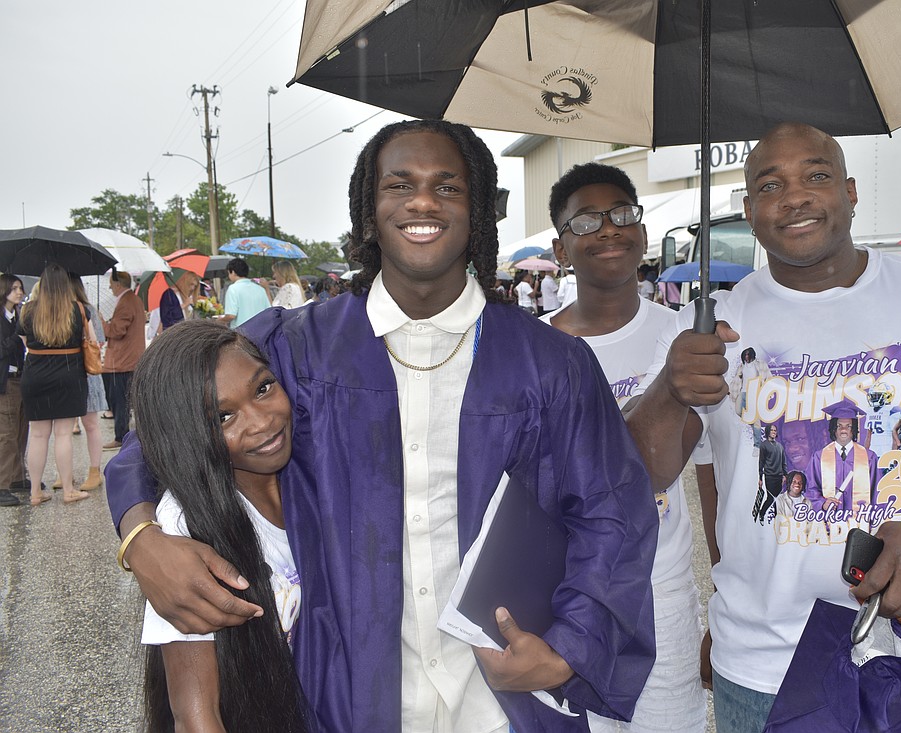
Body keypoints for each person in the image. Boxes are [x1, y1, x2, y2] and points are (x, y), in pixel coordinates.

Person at [106, 119, 658, 732]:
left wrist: (566, 649)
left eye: (448, 187)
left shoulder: (550, 363)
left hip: (499, 703)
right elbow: (160, 435)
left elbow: (612, 514)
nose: (422, 200)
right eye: (399, 185)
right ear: (368, 215)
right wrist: (142, 538)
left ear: (476, 212)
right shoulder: (294, 347)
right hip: (346, 696)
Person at [624, 122, 901, 733]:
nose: (795, 196)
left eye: (816, 175)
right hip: (763, 668)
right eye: (770, 184)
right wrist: (668, 390)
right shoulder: (706, 333)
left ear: (852, 192)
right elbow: (633, 473)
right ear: (749, 211)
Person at [543, 162, 706, 733]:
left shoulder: (686, 338)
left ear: (640, 232)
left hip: (658, 598)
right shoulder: (535, 347)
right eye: (586, 220)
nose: (608, 228)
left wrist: (723, 600)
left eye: (622, 214)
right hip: (561, 596)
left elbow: (710, 479)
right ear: (561, 248)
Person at [128, 320, 310, 731]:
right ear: (186, 434)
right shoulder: (184, 524)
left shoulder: (310, 477)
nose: (261, 421)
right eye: (224, 416)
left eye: (263, 388)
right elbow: (196, 716)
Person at [18, 263, 91, 506]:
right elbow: (88, 339)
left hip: (35, 374)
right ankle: (69, 490)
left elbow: (26, 341)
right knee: (63, 435)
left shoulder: (28, 311)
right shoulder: (78, 309)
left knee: (38, 435)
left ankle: (35, 493)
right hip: (69, 375)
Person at [803, 399, 880, 516]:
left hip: (860, 523)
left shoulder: (869, 457)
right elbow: (811, 489)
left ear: (853, 429)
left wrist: (874, 524)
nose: (843, 430)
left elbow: (876, 493)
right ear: (834, 428)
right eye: (839, 426)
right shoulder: (819, 457)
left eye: (848, 426)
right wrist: (822, 504)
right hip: (829, 525)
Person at [100, 270, 145, 450]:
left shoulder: (126, 302)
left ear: (118, 284)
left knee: (120, 402)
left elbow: (117, 331)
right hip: (131, 358)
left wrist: (102, 322)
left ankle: (121, 436)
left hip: (123, 360)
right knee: (125, 400)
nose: (110, 287)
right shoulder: (134, 300)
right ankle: (126, 434)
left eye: (111, 283)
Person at [70, 276, 107, 491]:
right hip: (69, 371)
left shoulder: (88, 309)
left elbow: (99, 340)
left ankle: (95, 470)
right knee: (64, 427)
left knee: (91, 423)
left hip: (88, 371)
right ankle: (66, 473)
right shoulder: (59, 309)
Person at [0, 274, 28, 507]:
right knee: (7, 434)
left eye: (20, 288)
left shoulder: (17, 315)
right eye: (14, 288)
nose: (19, 292)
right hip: (5, 382)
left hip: (21, 378)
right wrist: (16, 336)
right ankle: (2, 485)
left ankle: (18, 477)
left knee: (21, 431)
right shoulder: (5, 319)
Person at [216, 258, 271, 329]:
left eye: (228, 273)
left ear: (233, 272)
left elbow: (231, 315)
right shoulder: (260, 289)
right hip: (260, 331)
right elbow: (269, 311)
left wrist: (219, 320)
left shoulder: (233, 288)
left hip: (241, 333)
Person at [753, 423, 787, 524]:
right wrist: (760, 477)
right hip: (769, 476)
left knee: (778, 498)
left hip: (779, 476)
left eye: (775, 430)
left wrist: (785, 475)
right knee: (771, 498)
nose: (773, 432)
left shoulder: (780, 446)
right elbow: (761, 462)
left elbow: (783, 461)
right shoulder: (764, 445)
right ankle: (762, 514)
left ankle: (777, 519)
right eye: (772, 430)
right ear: (768, 431)